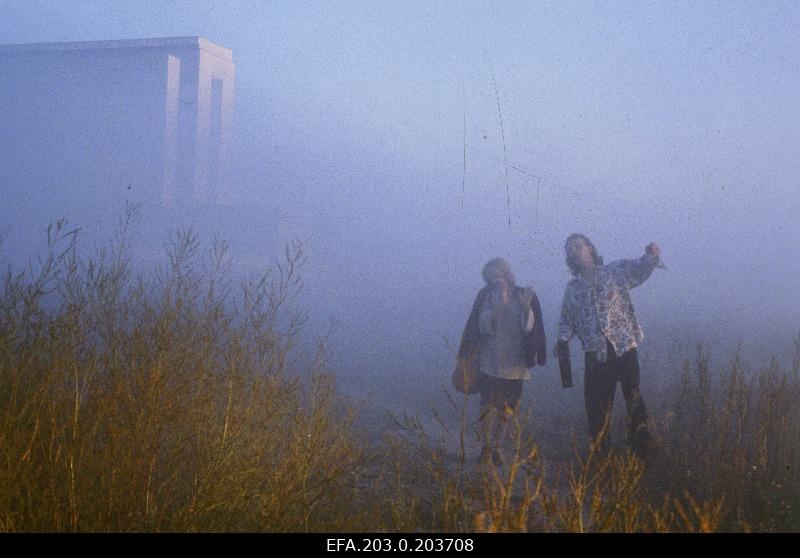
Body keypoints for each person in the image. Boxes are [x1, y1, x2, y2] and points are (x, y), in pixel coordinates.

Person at [556, 234, 662, 460]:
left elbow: (640, 269)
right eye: (569, 249)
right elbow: (567, 319)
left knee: (633, 399)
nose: (574, 251)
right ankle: (602, 461)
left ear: (590, 249)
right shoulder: (573, 289)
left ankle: (641, 456)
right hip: (596, 354)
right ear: (569, 258)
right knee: (597, 409)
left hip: (623, 347)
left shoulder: (615, 271)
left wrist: (651, 254)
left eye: (578, 246)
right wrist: (562, 340)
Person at [457, 257, 546, 466]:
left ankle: (497, 446)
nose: (496, 280)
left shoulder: (524, 294)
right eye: (491, 278)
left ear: (507, 274)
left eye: (498, 275)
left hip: (515, 362)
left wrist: (525, 306)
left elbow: (531, 327)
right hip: (491, 359)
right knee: (488, 405)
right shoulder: (486, 295)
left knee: (509, 407)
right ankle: (486, 447)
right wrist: (499, 307)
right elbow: (480, 325)